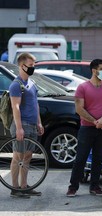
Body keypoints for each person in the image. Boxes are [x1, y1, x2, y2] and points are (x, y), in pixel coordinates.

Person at [66, 59, 102, 197]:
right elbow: (79, 109)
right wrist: (95, 121)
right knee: (81, 158)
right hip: (87, 128)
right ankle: (73, 187)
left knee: (98, 158)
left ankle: (95, 186)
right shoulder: (83, 87)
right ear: (94, 70)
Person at [9, 52, 44, 198]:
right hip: (21, 124)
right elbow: (15, 107)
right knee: (18, 156)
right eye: (30, 65)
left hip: (31, 124)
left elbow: (35, 104)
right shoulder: (16, 85)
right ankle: (15, 188)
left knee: (28, 157)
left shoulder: (31, 84)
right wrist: (19, 128)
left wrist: (39, 122)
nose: (32, 68)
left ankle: (24, 186)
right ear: (21, 66)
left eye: (33, 65)